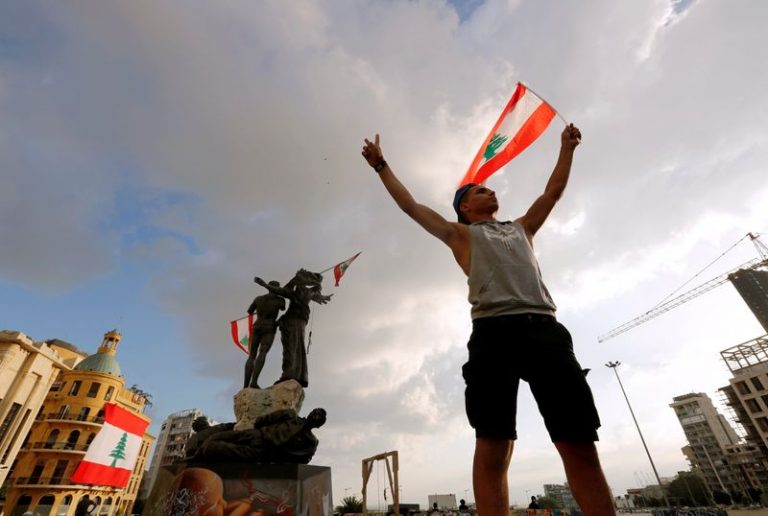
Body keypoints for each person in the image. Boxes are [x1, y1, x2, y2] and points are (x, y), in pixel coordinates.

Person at [361, 126, 615, 516]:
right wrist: (381, 166)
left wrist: (566, 149)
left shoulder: (523, 228)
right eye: (480, 190)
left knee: (578, 441)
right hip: (493, 334)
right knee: (494, 445)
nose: (490, 191)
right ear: (465, 206)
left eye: (490, 188)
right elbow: (411, 206)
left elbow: (553, 192)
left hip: (545, 331)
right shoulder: (458, 234)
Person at [255, 270, 332, 388]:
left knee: (290, 348)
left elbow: (281, 290)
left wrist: (265, 285)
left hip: (291, 321)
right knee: (298, 347)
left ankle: (288, 374)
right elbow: (317, 291)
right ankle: (300, 376)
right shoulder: (310, 292)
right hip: (301, 321)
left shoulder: (297, 292)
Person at [244, 279, 286, 389]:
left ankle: (245, 386)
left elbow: (249, 311)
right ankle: (253, 382)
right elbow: (283, 308)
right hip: (270, 327)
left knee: (251, 356)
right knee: (262, 353)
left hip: (257, 326)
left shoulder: (258, 299)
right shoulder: (280, 300)